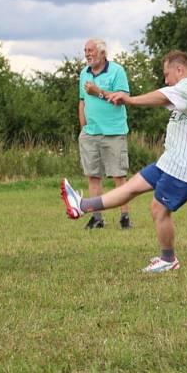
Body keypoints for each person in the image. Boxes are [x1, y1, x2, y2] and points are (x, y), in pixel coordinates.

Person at [61, 50, 187, 273]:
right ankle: (81, 206)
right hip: (172, 159)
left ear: (180, 70)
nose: (166, 80)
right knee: (132, 187)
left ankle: (168, 260)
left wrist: (129, 99)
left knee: (159, 209)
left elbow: (163, 96)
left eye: (167, 74)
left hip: (186, 164)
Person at [77, 38, 132, 230]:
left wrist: (98, 92)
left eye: (91, 50)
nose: (87, 54)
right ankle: (96, 218)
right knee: (93, 176)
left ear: (102, 53)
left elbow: (122, 99)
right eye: (85, 51)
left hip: (113, 132)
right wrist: (83, 127)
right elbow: (82, 101)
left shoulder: (117, 71)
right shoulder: (84, 73)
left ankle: (125, 217)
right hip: (90, 134)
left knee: (118, 176)